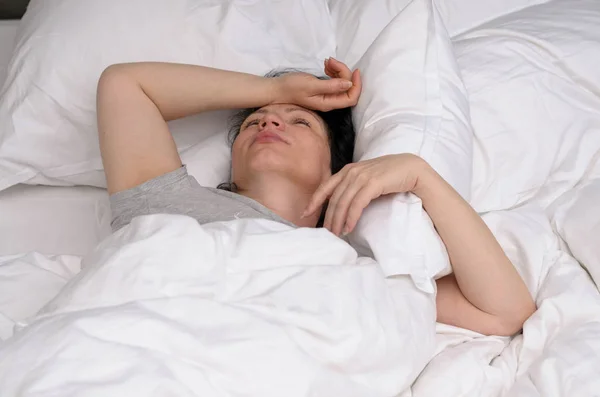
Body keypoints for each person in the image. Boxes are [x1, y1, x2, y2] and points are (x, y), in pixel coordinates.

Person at [97, 58, 536, 337]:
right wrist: (276, 90)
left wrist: (421, 176)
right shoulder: (166, 200)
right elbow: (124, 84)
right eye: (254, 123)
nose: (268, 123)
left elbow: (506, 313)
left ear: (336, 167)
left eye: (299, 123)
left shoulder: (354, 264)